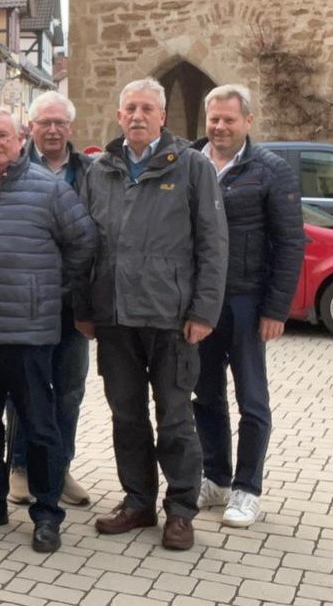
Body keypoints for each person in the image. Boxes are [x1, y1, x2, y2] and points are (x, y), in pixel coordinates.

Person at [77, 78, 228, 551]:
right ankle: (138, 501)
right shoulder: (99, 169)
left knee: (176, 417)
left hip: (172, 317)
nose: (138, 116)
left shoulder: (191, 167)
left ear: (163, 117)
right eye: (130, 109)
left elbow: (212, 242)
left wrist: (204, 310)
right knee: (126, 416)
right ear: (119, 117)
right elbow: (85, 246)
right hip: (115, 318)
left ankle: (181, 510)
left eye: (147, 108)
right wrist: (85, 308)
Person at [0, 107, 95, 552]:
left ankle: (47, 514)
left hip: (28, 332)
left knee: (40, 426)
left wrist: (47, 290)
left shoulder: (48, 189)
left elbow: (84, 245)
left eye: (2, 136)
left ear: (19, 138)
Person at [190, 84, 305, 528]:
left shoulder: (270, 170)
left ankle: (247, 489)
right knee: (206, 396)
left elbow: (290, 243)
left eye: (228, 120)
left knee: (252, 400)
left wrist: (276, 309)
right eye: (213, 119)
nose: (219, 127)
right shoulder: (190, 163)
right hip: (201, 303)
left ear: (248, 122)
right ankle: (215, 478)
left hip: (246, 301)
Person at [8, 91, 95, 507]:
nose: (53, 129)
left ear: (71, 128)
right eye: (45, 123)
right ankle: (21, 468)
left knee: (69, 390)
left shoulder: (91, 172)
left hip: (74, 303)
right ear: (31, 128)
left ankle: (58, 468)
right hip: (25, 301)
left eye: (60, 122)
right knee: (24, 389)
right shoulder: (12, 167)